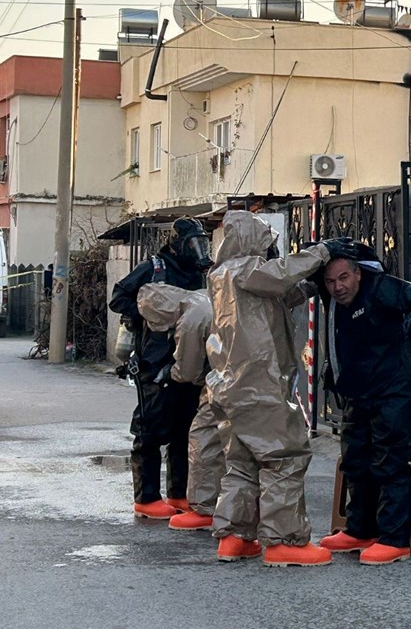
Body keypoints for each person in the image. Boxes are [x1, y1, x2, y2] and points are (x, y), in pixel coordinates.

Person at [205, 210, 336, 566]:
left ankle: (234, 538)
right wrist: (320, 253)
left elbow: (273, 297)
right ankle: (285, 542)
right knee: (285, 457)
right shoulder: (246, 269)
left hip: (230, 386)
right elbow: (277, 277)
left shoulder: (221, 275)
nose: (272, 250)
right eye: (268, 243)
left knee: (242, 463)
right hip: (258, 385)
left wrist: (307, 286)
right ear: (253, 242)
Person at [314, 238, 411, 565]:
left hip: (391, 389)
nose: (337, 287)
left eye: (343, 278)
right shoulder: (329, 298)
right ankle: (360, 529)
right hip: (357, 391)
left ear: (357, 274)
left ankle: (394, 539)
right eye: (330, 281)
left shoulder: (381, 287)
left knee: (389, 461)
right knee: (356, 460)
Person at [109, 217, 212, 520]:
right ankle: (147, 497)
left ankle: (179, 494)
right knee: (150, 429)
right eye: (192, 243)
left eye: (201, 242)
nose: (198, 249)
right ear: (176, 243)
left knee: (185, 429)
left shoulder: (200, 273)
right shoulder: (155, 268)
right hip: (154, 362)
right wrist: (148, 315)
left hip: (188, 361)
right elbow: (119, 297)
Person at [135, 283, 226, 533]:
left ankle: (204, 509)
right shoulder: (200, 296)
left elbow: (188, 370)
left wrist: (169, 372)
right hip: (251, 372)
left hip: (224, 379)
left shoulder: (189, 320)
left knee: (202, 437)